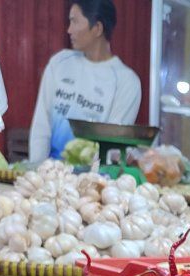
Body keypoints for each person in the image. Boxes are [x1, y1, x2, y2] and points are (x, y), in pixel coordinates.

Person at [29, 1, 142, 163]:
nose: (69, 30)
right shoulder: (59, 63)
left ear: (97, 28)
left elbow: (111, 146)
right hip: (50, 176)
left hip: (93, 181)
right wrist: (36, 170)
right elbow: (42, 125)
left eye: (75, 21)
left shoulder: (127, 81)